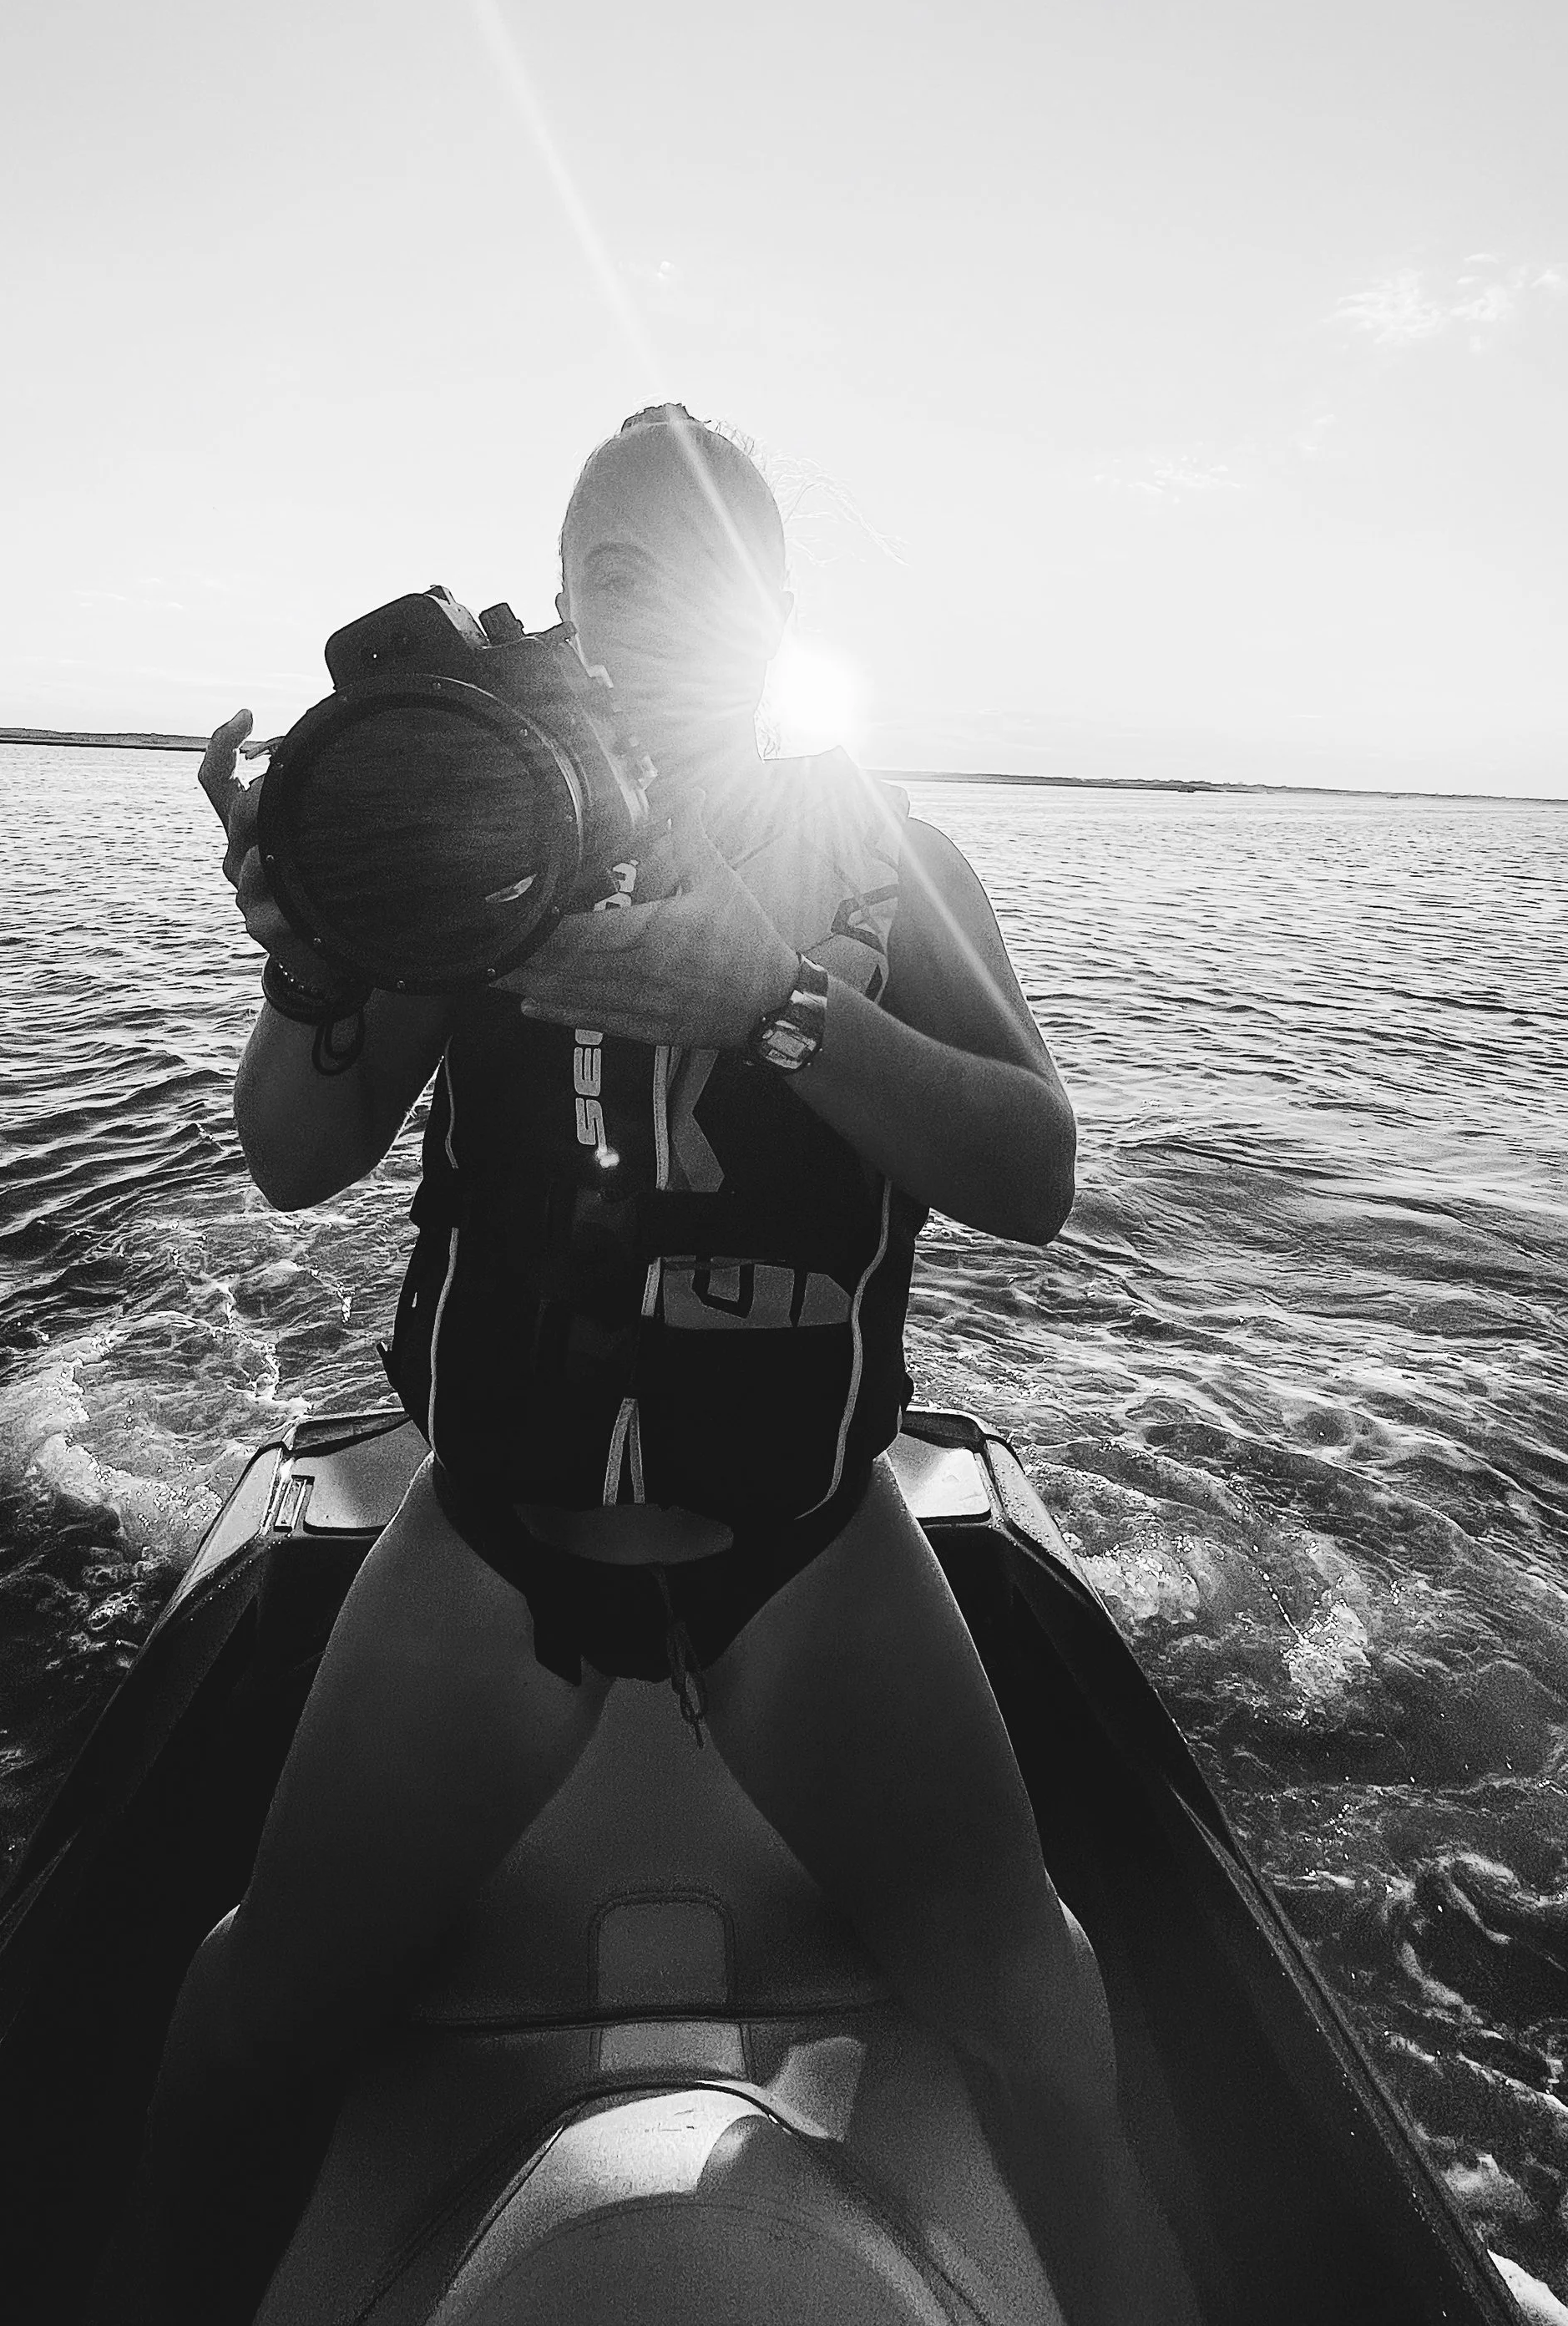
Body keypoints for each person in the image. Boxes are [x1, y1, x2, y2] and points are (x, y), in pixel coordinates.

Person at [126, 405, 1196, 2325]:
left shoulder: (887, 858)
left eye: (704, 565)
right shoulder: (482, 861)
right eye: (611, 565)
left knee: (1034, 2001)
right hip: (492, 1547)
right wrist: (311, 962)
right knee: (253, 1997)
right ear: (560, 605)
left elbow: (1029, 1169)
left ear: (772, 614)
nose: (652, 598)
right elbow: (294, 1154)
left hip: (803, 1547)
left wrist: (779, 1009)